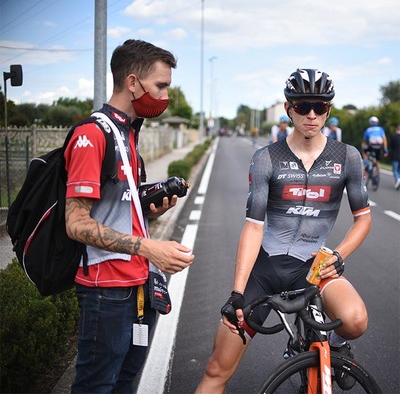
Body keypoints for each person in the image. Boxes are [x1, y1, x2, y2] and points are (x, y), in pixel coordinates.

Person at [196, 68, 371, 394]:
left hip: (314, 265)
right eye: (304, 106)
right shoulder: (267, 159)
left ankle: (335, 344)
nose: (312, 114)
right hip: (265, 269)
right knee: (216, 370)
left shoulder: (347, 158)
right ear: (289, 108)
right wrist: (237, 291)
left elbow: (363, 218)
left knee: (356, 320)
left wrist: (338, 255)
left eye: (320, 106)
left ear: (329, 110)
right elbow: (253, 226)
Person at [64, 39, 195, 393]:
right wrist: (151, 249)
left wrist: (149, 210)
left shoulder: (129, 133)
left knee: (125, 385)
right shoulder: (93, 135)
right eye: (161, 86)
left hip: (139, 286)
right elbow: (76, 223)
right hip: (105, 292)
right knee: (97, 386)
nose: (166, 96)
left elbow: (119, 204)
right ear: (133, 82)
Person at [390, 124, 400, 189]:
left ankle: (398, 179)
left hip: (395, 156)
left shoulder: (394, 137)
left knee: (395, 170)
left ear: (397, 129)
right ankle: (398, 181)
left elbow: (391, 146)